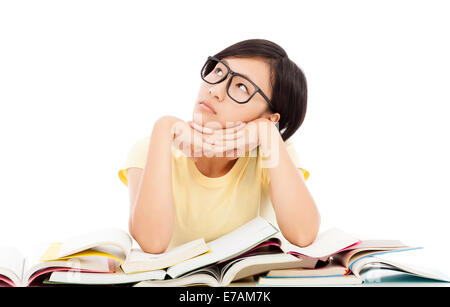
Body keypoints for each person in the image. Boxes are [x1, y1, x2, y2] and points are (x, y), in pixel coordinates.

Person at [118, 39, 320, 253]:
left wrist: (268, 132)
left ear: (269, 117)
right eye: (219, 71)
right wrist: (163, 126)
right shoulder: (153, 147)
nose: (215, 90)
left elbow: (303, 234)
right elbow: (152, 242)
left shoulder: (273, 151)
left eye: (242, 86)